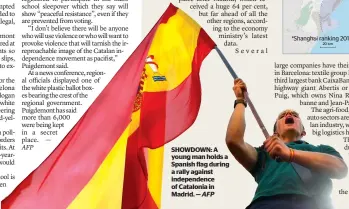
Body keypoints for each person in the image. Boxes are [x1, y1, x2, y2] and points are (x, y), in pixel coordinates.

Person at [226, 78, 348, 209]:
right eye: (282, 116)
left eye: (295, 115)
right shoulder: (264, 153)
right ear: (275, 133)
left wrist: (290, 153)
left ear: (303, 132)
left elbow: (340, 169)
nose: (289, 114)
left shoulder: (321, 149)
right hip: (266, 204)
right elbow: (234, 141)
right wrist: (240, 100)